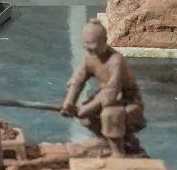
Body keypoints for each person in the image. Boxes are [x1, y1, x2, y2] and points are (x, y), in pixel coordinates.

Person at [60, 19, 145, 157]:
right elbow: (78, 80)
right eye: (87, 47)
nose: (91, 51)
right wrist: (69, 103)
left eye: (94, 47)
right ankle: (104, 139)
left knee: (110, 114)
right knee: (87, 112)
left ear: (104, 41)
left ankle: (118, 151)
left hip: (126, 100)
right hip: (106, 97)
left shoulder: (116, 60)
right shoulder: (90, 57)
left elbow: (111, 92)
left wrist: (87, 109)